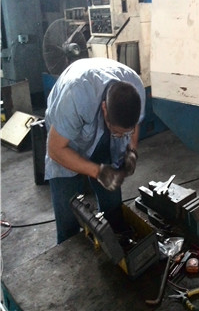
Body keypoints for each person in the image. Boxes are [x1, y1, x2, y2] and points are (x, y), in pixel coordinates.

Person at [45, 57, 146, 244]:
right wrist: (98, 172)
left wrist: (131, 150)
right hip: (66, 140)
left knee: (113, 204)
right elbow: (55, 150)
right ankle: (70, 248)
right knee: (69, 213)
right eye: (117, 132)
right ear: (104, 109)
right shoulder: (76, 96)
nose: (120, 136)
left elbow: (135, 122)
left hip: (101, 129)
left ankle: (115, 240)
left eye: (124, 133)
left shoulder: (135, 87)